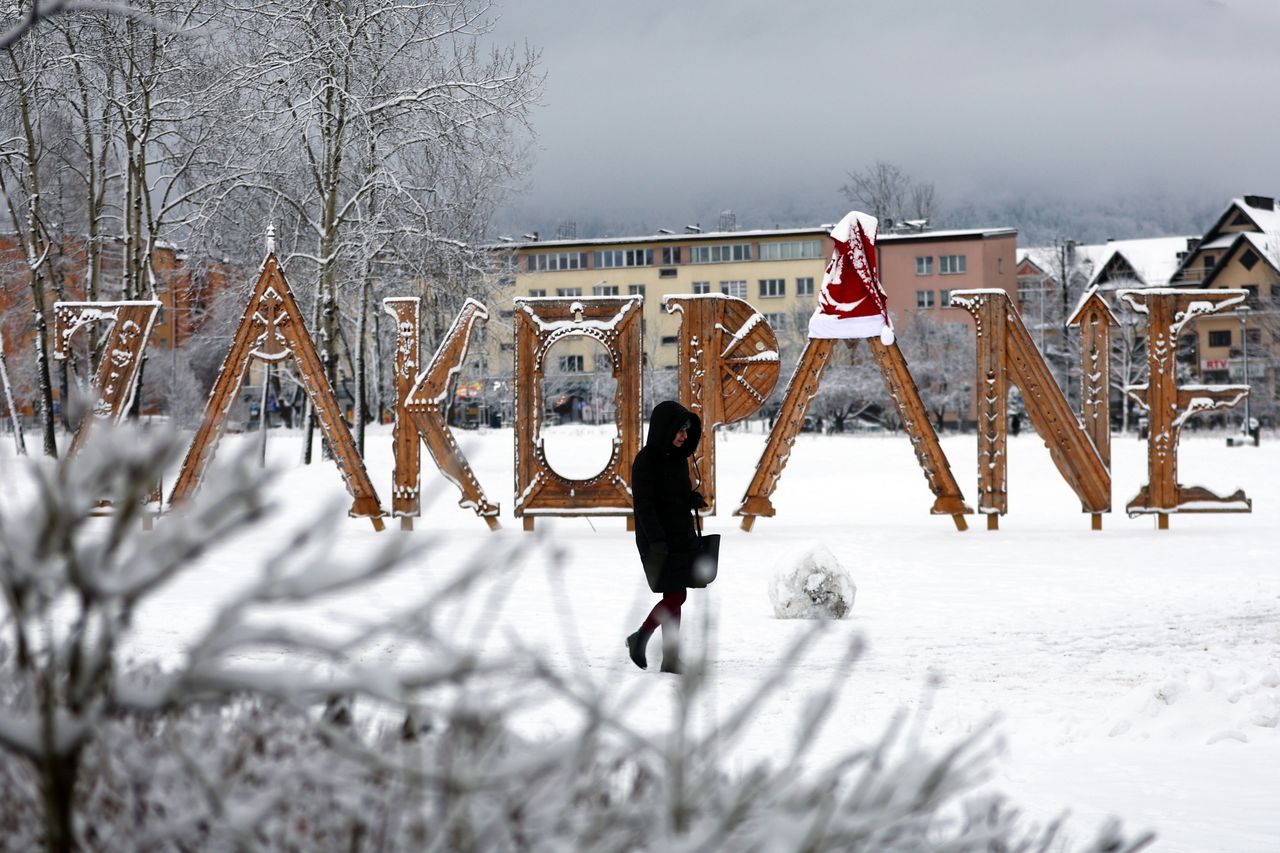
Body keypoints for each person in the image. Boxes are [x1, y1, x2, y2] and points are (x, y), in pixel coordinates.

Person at [626, 400, 705, 673]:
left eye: (686, 430)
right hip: (658, 541)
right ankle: (641, 637)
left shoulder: (679, 459)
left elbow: (674, 496)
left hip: (680, 537)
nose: (683, 436)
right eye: (679, 430)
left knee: (676, 593)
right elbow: (644, 505)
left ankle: (670, 658)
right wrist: (657, 541)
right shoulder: (645, 461)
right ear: (664, 429)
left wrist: (690, 498)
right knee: (676, 597)